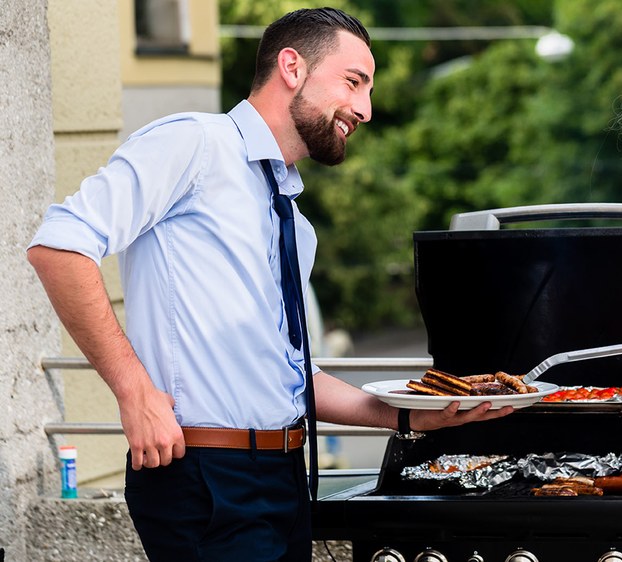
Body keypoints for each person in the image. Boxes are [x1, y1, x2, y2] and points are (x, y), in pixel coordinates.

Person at [26, 7, 511, 561]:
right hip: (203, 476)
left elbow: (292, 378)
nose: (366, 110)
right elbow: (59, 246)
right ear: (292, 67)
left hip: (283, 479)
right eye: (354, 82)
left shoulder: (294, 223)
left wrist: (407, 415)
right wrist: (134, 390)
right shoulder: (194, 144)